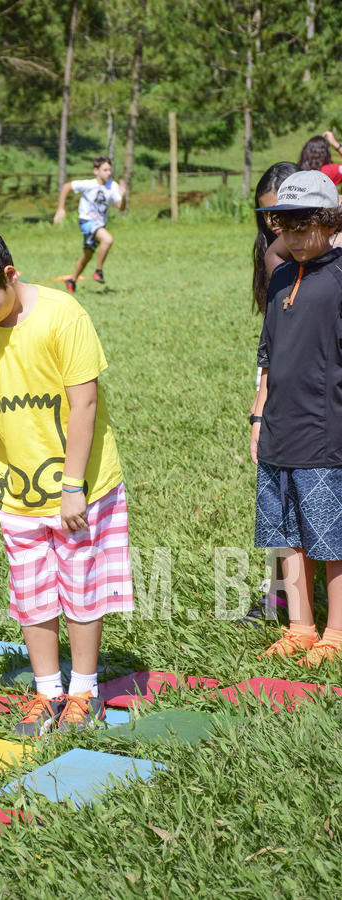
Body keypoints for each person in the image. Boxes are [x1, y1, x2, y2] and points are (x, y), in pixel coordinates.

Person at [0, 224, 135, 734]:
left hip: (81, 486)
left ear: (10, 274)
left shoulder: (62, 314)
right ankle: (48, 691)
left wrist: (74, 486)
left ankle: (83, 691)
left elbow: (85, 402)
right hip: (18, 490)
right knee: (32, 593)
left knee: (81, 587)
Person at [251, 170, 342, 667]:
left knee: (332, 538)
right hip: (279, 429)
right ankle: (301, 627)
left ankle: (335, 633)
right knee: (284, 534)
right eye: (286, 228)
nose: (296, 239)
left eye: (305, 227)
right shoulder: (282, 274)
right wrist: (258, 416)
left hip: (326, 432)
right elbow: (268, 354)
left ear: (330, 223)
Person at [238, 162, 299, 626]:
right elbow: (272, 331)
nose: (276, 224)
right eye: (268, 216)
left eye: (285, 213)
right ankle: (278, 593)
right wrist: (261, 396)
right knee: (277, 489)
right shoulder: (274, 253)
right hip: (276, 371)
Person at [53, 155, 126, 293]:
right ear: (96, 171)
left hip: (100, 224)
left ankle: (72, 281)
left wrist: (124, 197)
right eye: (105, 170)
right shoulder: (88, 184)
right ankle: (98, 271)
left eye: (109, 170)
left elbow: (120, 208)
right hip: (87, 221)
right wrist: (61, 208)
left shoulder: (113, 186)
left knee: (88, 254)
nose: (108, 173)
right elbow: (67, 186)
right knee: (108, 239)